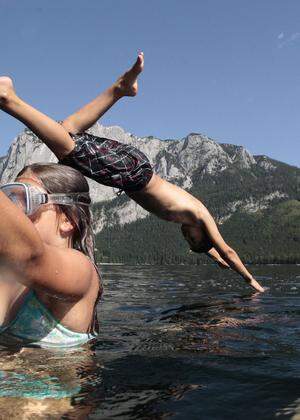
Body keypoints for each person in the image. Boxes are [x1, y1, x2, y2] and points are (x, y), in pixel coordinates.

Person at [0, 54, 264, 293]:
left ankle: (120, 89)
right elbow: (226, 250)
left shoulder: (193, 219)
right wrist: (251, 281)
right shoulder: (200, 214)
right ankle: (10, 99)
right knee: (69, 151)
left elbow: (214, 252)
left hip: (134, 169)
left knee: (68, 129)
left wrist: (212, 257)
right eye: (192, 238)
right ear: (204, 235)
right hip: (132, 176)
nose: (186, 236)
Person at [0, 162, 101, 347]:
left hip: (53, 375)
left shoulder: (82, 270)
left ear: (67, 220)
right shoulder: (10, 278)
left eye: (26, 200)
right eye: (11, 199)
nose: (15, 213)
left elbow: (30, 258)